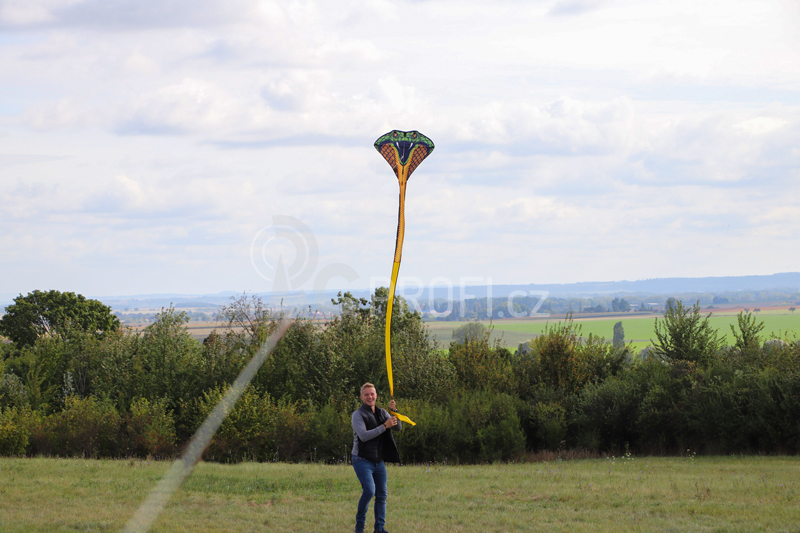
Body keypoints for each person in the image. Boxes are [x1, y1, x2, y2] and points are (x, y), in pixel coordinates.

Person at [351, 382, 402, 533]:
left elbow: (398, 427)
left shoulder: (382, 413)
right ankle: (359, 527)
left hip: (378, 460)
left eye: (372, 394)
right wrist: (384, 426)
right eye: (366, 394)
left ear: (376, 396)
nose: (370, 397)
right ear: (361, 397)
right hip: (361, 459)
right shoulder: (358, 415)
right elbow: (364, 436)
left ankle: (379, 529)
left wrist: (394, 411)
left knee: (382, 495)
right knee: (369, 491)